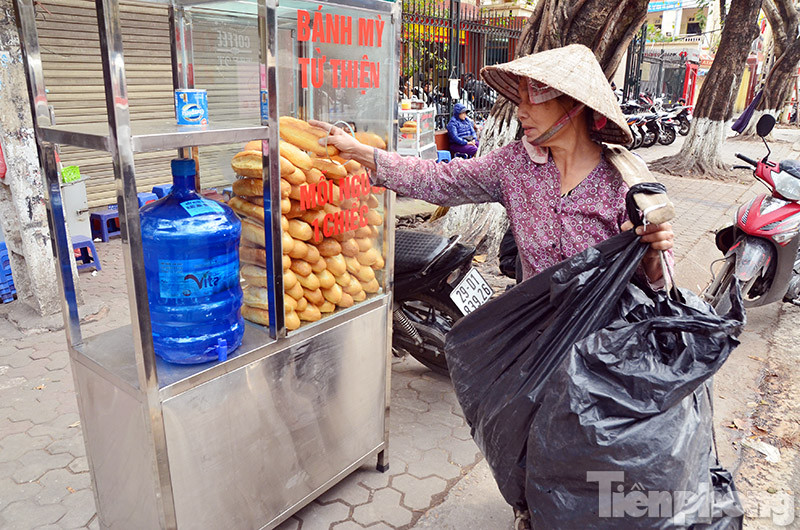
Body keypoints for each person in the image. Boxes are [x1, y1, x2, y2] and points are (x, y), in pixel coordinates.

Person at [310, 44, 674, 528]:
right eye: (518, 97)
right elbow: (441, 180)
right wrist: (365, 155)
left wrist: (652, 249)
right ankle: (533, 507)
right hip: (534, 337)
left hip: (604, 351)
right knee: (529, 432)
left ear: (574, 105)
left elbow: (660, 285)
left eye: (533, 99)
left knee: (598, 447)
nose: (520, 110)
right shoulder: (515, 168)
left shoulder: (624, 181)